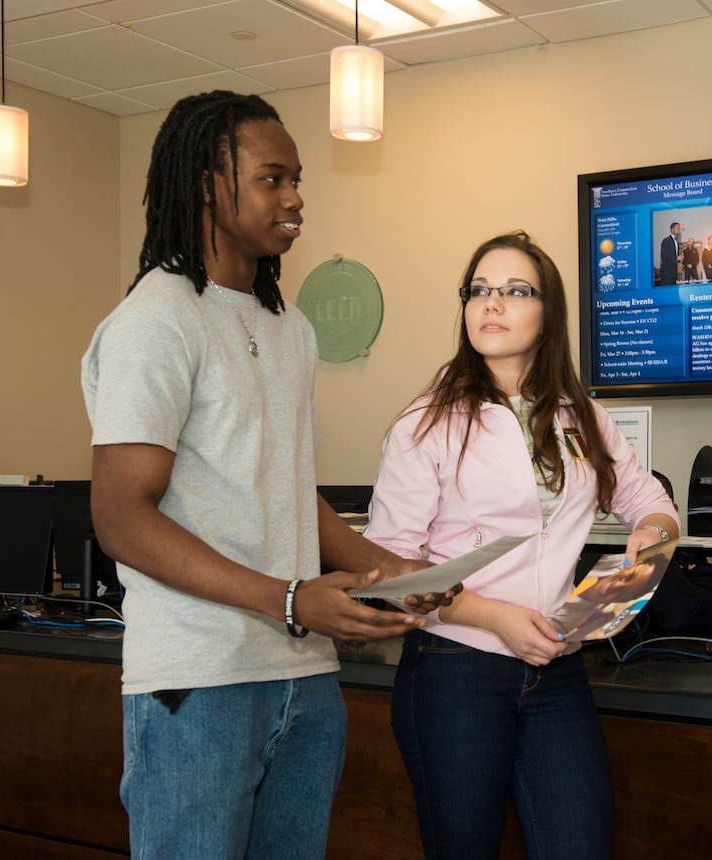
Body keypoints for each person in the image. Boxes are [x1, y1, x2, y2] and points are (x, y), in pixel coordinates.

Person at [81, 90, 457, 858]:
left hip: (305, 679)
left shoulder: (292, 328)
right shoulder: (156, 322)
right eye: (272, 179)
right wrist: (288, 600)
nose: (295, 200)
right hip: (199, 682)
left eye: (298, 181)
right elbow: (120, 515)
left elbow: (288, 489)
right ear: (206, 185)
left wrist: (390, 569)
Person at [363, 230, 679, 860]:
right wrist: (494, 617)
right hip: (454, 672)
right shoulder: (425, 423)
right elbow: (391, 571)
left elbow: (653, 504)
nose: (492, 304)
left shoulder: (581, 415)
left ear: (548, 311)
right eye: (478, 291)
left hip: (556, 672)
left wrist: (651, 539)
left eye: (514, 290)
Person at [638, 470, 712, 638]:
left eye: (652, 510)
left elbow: (682, 623)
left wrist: (655, 550)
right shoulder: (596, 560)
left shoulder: (709, 578)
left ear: (673, 512)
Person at [659, 221, 683, 285]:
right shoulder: (666, 240)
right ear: (672, 230)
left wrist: (680, 259)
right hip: (667, 273)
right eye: (677, 228)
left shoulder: (676, 242)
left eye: (679, 229)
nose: (679, 230)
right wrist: (676, 257)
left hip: (674, 273)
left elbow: (674, 257)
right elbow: (664, 255)